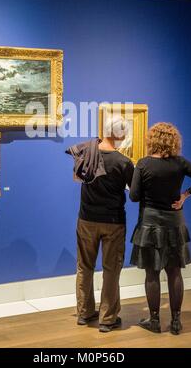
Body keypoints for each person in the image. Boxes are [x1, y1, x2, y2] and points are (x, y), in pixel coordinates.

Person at [129, 122, 191, 335]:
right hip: (175, 222)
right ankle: (176, 322)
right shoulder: (180, 163)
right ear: (174, 141)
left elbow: (134, 196)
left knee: (152, 274)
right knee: (174, 272)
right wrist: (185, 195)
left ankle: (154, 321)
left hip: (150, 224)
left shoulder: (143, 163)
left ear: (152, 140)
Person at [67, 116, 134, 332]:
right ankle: (107, 318)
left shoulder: (86, 152)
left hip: (86, 219)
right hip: (113, 221)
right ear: (121, 134)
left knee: (84, 267)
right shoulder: (123, 162)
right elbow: (134, 192)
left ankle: (84, 313)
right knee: (111, 269)